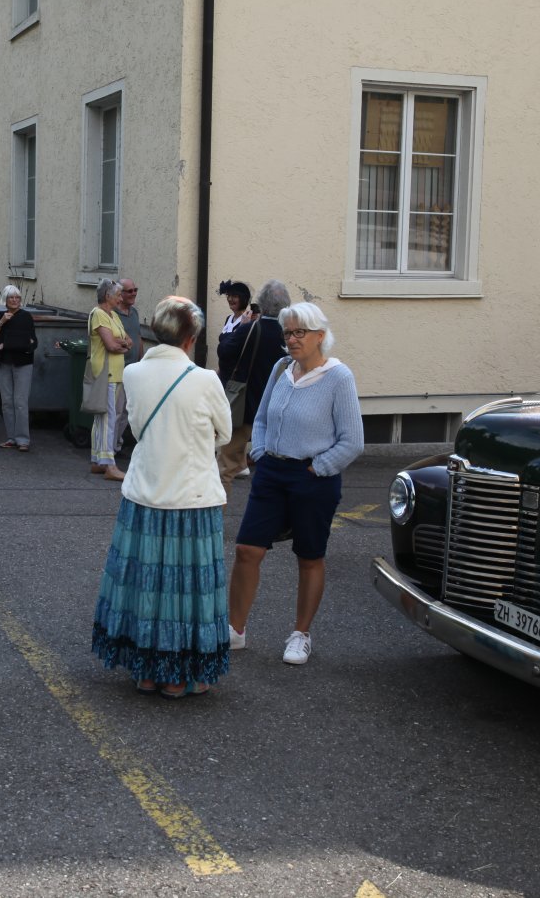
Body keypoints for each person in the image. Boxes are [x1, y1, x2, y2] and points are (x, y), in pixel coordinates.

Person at [92, 296, 233, 697]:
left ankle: (147, 671)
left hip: (144, 494)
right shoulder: (205, 380)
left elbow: (137, 427)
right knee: (186, 589)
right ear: (191, 338)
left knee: (146, 585)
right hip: (191, 498)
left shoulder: (134, 373)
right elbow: (224, 433)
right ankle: (178, 676)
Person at [228, 301, 364, 667]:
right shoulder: (281, 369)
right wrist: (259, 452)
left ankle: (300, 635)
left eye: (299, 332)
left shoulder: (338, 377)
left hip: (312, 478)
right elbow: (261, 419)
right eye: (287, 333)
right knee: (247, 550)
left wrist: (317, 468)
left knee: (309, 556)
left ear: (320, 335)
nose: (292, 339)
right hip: (271, 473)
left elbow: (352, 441)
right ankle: (234, 629)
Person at [217, 280, 290, 485]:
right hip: (279, 403)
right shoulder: (288, 333)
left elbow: (224, 352)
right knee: (277, 466)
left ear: (261, 304)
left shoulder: (249, 329)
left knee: (225, 467)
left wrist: (236, 331)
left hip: (248, 402)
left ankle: (219, 503)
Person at [87, 279, 133, 482]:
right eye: (118, 295)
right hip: (106, 373)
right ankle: (109, 464)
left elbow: (129, 341)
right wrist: (120, 344)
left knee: (104, 417)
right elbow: (111, 345)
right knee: (107, 418)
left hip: (115, 373)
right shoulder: (98, 314)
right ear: (107, 296)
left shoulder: (113, 315)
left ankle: (98, 460)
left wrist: (120, 343)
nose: (121, 298)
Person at [0, 285, 38, 451]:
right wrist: (2, 322)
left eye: (17, 297)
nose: (15, 300)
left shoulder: (25, 316)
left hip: (23, 363)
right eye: (11, 297)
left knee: (20, 402)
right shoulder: (1, 316)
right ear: (5, 299)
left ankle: (23, 440)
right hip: (4, 363)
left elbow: (32, 342)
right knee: (7, 402)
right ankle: (11, 438)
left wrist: (8, 344)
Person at [112, 277, 144, 448]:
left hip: (133, 370)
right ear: (120, 293)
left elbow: (138, 337)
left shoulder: (134, 313)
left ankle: (117, 443)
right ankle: (109, 447)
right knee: (116, 411)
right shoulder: (112, 315)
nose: (134, 294)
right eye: (129, 291)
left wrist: (142, 362)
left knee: (126, 411)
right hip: (118, 370)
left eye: (135, 290)